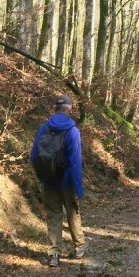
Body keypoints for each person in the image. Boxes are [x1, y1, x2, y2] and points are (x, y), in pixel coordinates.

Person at [30, 95, 87, 267]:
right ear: (69, 109)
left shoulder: (44, 127)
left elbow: (34, 155)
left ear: (55, 108)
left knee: (54, 215)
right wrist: (79, 188)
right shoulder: (73, 131)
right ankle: (79, 247)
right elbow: (76, 162)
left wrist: (42, 175)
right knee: (73, 213)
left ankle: (54, 254)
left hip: (49, 180)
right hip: (67, 181)